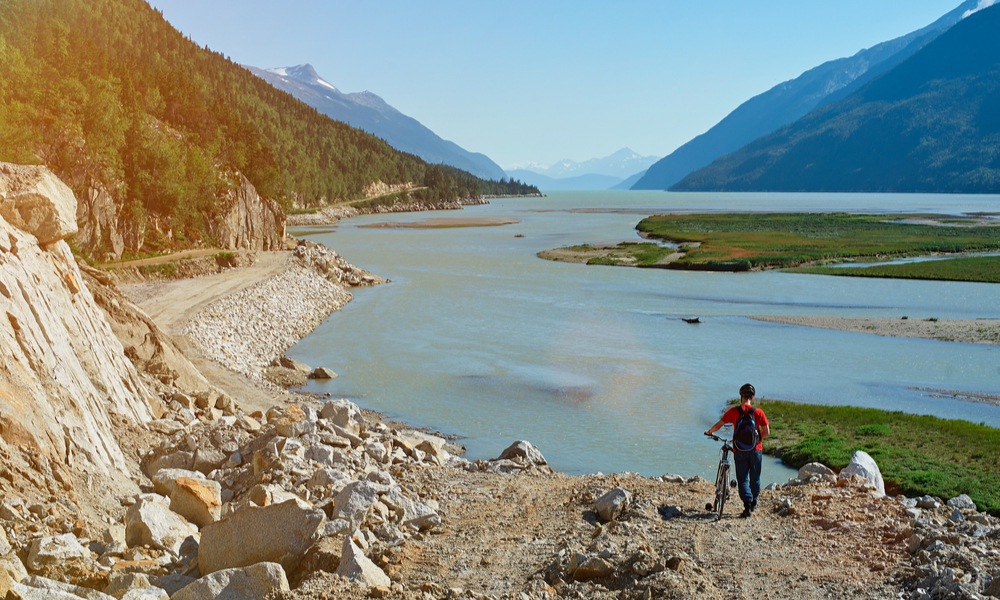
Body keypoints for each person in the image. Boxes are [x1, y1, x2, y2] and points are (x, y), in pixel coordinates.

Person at [704, 383, 770, 518]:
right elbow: (767, 432)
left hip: (739, 449)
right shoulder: (758, 412)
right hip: (756, 450)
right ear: (752, 397)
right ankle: (754, 502)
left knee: (743, 479)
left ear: (741, 397)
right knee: (755, 477)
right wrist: (757, 440)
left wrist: (710, 432)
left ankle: (747, 505)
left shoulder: (734, 411)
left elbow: (719, 424)